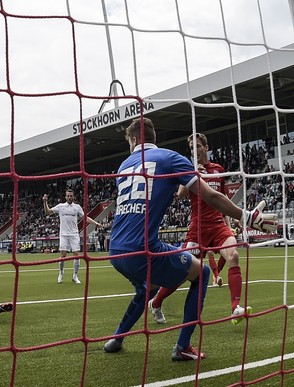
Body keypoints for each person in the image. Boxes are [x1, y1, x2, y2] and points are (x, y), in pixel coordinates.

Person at [103, 118, 277, 361]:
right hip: (145, 249)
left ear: (133, 140)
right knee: (202, 273)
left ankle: (117, 338)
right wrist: (248, 217)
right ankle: (183, 347)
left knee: (147, 286)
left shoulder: (124, 165)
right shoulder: (170, 158)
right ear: (154, 137)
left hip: (115, 251)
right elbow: (212, 197)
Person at [148, 133, 251, 326]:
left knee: (234, 256)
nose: (195, 150)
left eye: (198, 146)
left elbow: (222, 200)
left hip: (218, 226)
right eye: (192, 148)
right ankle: (156, 302)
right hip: (197, 228)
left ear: (206, 147)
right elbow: (180, 194)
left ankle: (235, 308)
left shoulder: (218, 170)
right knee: (181, 272)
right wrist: (195, 172)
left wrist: (229, 225)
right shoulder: (189, 168)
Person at [43, 189, 101, 284]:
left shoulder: (77, 207)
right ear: (65, 197)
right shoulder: (61, 206)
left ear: (73, 197)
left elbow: (85, 218)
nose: (69, 197)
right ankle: (61, 273)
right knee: (63, 255)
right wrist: (45, 202)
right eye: (68, 196)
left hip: (74, 234)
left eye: (71, 196)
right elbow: (47, 212)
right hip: (64, 234)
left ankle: (75, 276)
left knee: (77, 255)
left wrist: (96, 223)